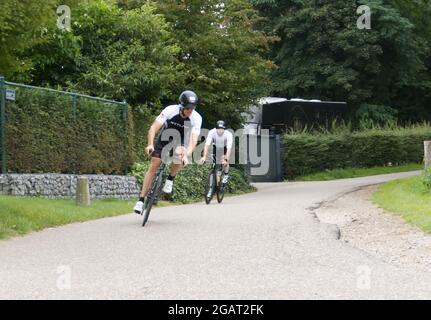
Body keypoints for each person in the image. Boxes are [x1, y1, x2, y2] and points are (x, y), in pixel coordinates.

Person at [133, 90, 202, 214]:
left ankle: (170, 179)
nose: (190, 111)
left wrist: (187, 155)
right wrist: (150, 144)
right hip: (165, 136)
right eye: (187, 108)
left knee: (180, 156)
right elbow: (153, 128)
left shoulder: (196, 118)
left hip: (181, 140)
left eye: (192, 109)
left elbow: (193, 141)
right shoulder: (170, 110)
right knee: (154, 165)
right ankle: (141, 200)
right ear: (181, 106)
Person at [200, 120, 233, 185]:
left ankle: (226, 174)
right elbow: (207, 145)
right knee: (213, 160)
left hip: (225, 147)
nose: (220, 131)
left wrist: (226, 159)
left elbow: (229, 148)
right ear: (216, 128)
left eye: (222, 129)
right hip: (216, 146)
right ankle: (215, 181)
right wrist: (204, 156)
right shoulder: (211, 132)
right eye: (218, 129)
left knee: (224, 160)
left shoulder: (228, 134)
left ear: (224, 129)